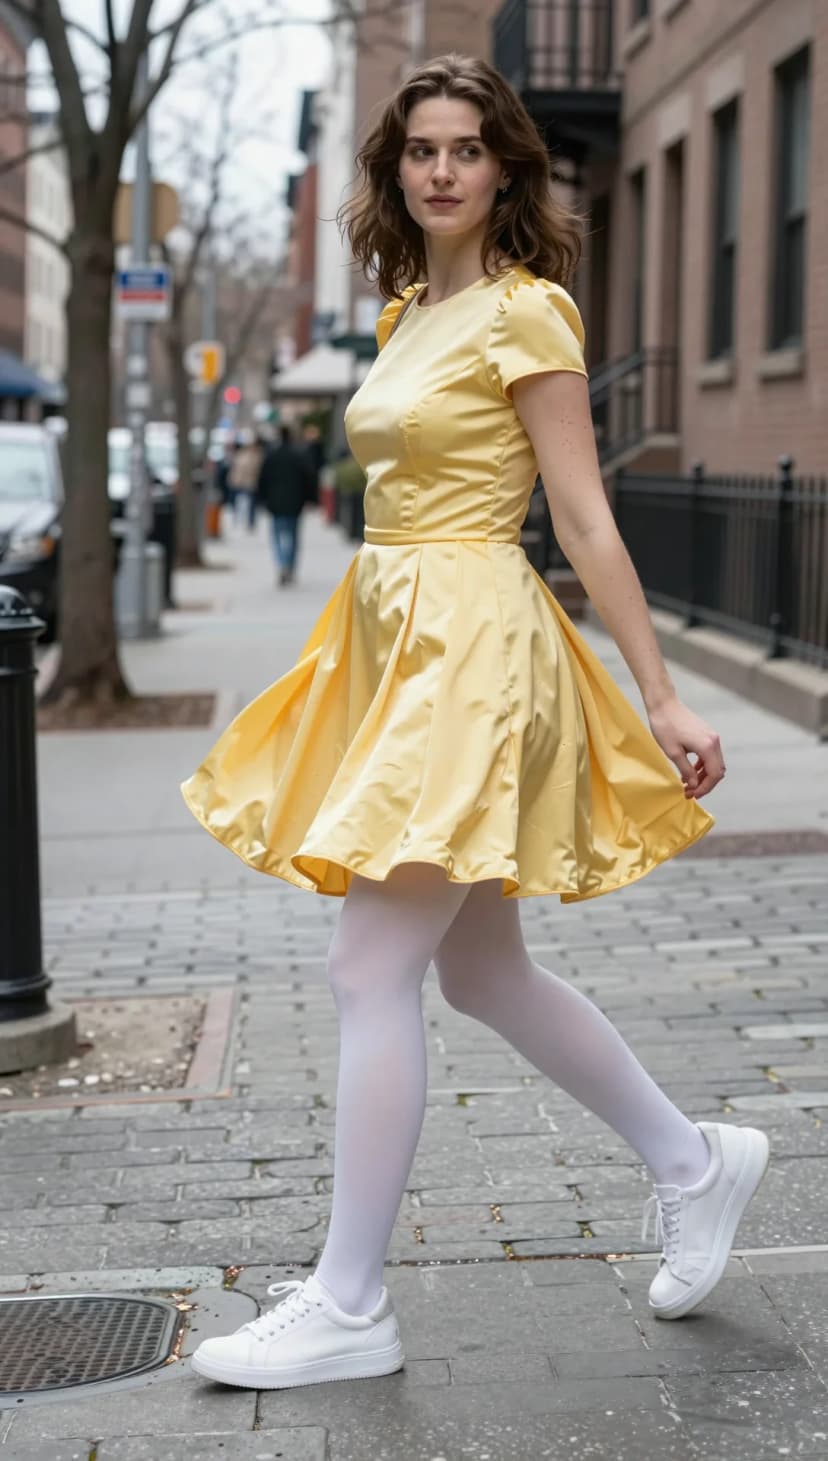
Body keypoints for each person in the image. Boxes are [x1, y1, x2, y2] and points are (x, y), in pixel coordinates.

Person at [182, 53, 770, 1391]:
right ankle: (693, 1159)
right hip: (399, 639)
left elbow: (582, 517)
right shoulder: (404, 316)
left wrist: (661, 692)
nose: (442, 168)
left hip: (470, 653)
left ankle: (348, 1300)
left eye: (467, 147)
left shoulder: (529, 313)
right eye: (421, 148)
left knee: (367, 969)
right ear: (396, 168)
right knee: (476, 970)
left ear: (505, 165)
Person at [256, 423, 314, 585]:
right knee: (293, 537)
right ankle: (289, 566)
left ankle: (282, 564)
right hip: (295, 503)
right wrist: (310, 499)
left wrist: (262, 499)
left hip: (276, 503)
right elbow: (308, 479)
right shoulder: (299, 455)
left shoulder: (272, 456)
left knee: (277, 536)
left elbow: (263, 480)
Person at [228, 430, 264, 531]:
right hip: (242, 482)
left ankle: (250, 521)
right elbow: (236, 469)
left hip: (250, 482)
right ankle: (240, 519)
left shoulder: (257, 455)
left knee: (250, 503)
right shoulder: (243, 455)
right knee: (241, 502)